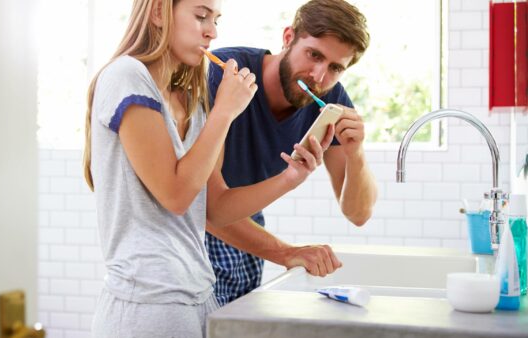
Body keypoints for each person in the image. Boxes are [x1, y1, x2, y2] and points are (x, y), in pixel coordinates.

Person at [83, 0, 327, 336]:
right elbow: (175, 195)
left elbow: (215, 207)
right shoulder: (126, 76)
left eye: (215, 20)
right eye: (200, 17)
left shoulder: (189, 97)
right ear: (158, 12)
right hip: (145, 308)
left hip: (196, 298)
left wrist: (291, 177)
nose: (211, 31)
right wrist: (225, 113)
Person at [205, 0, 378, 306]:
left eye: (336, 67)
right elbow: (204, 206)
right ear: (288, 38)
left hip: (248, 242)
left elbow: (359, 214)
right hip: (196, 238)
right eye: (314, 55)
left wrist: (356, 154)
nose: (318, 76)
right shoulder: (224, 72)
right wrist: (287, 252)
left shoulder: (330, 97)